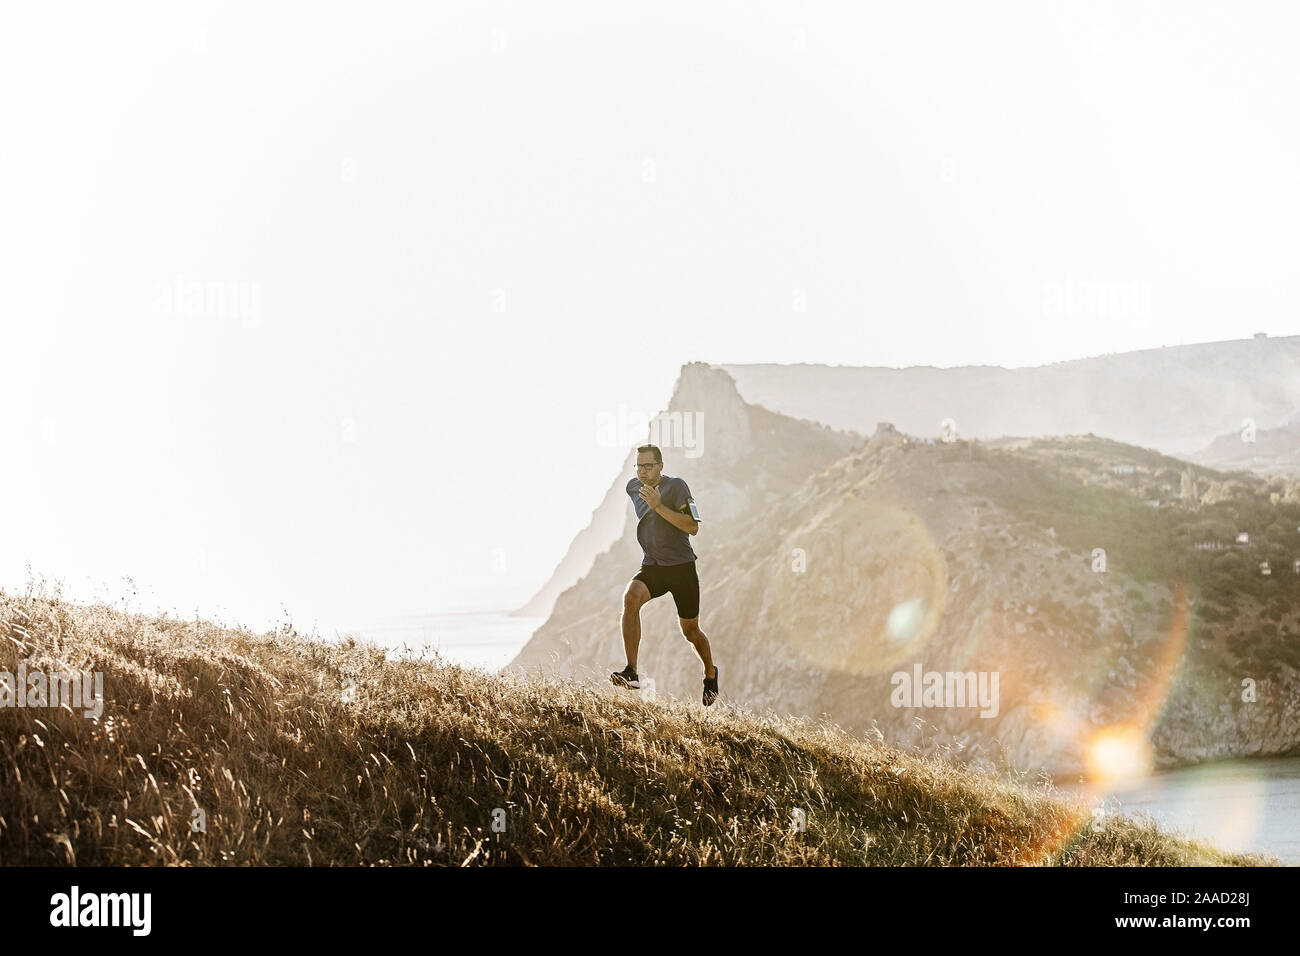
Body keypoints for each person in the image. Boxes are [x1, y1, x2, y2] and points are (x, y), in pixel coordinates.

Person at [610, 443, 719, 705]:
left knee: (690, 631)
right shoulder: (632, 487)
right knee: (630, 598)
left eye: (649, 466)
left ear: (660, 466)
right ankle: (631, 672)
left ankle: (710, 673)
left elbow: (693, 527)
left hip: (682, 568)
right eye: (639, 466)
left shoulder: (677, 486)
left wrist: (658, 506)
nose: (643, 472)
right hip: (654, 566)